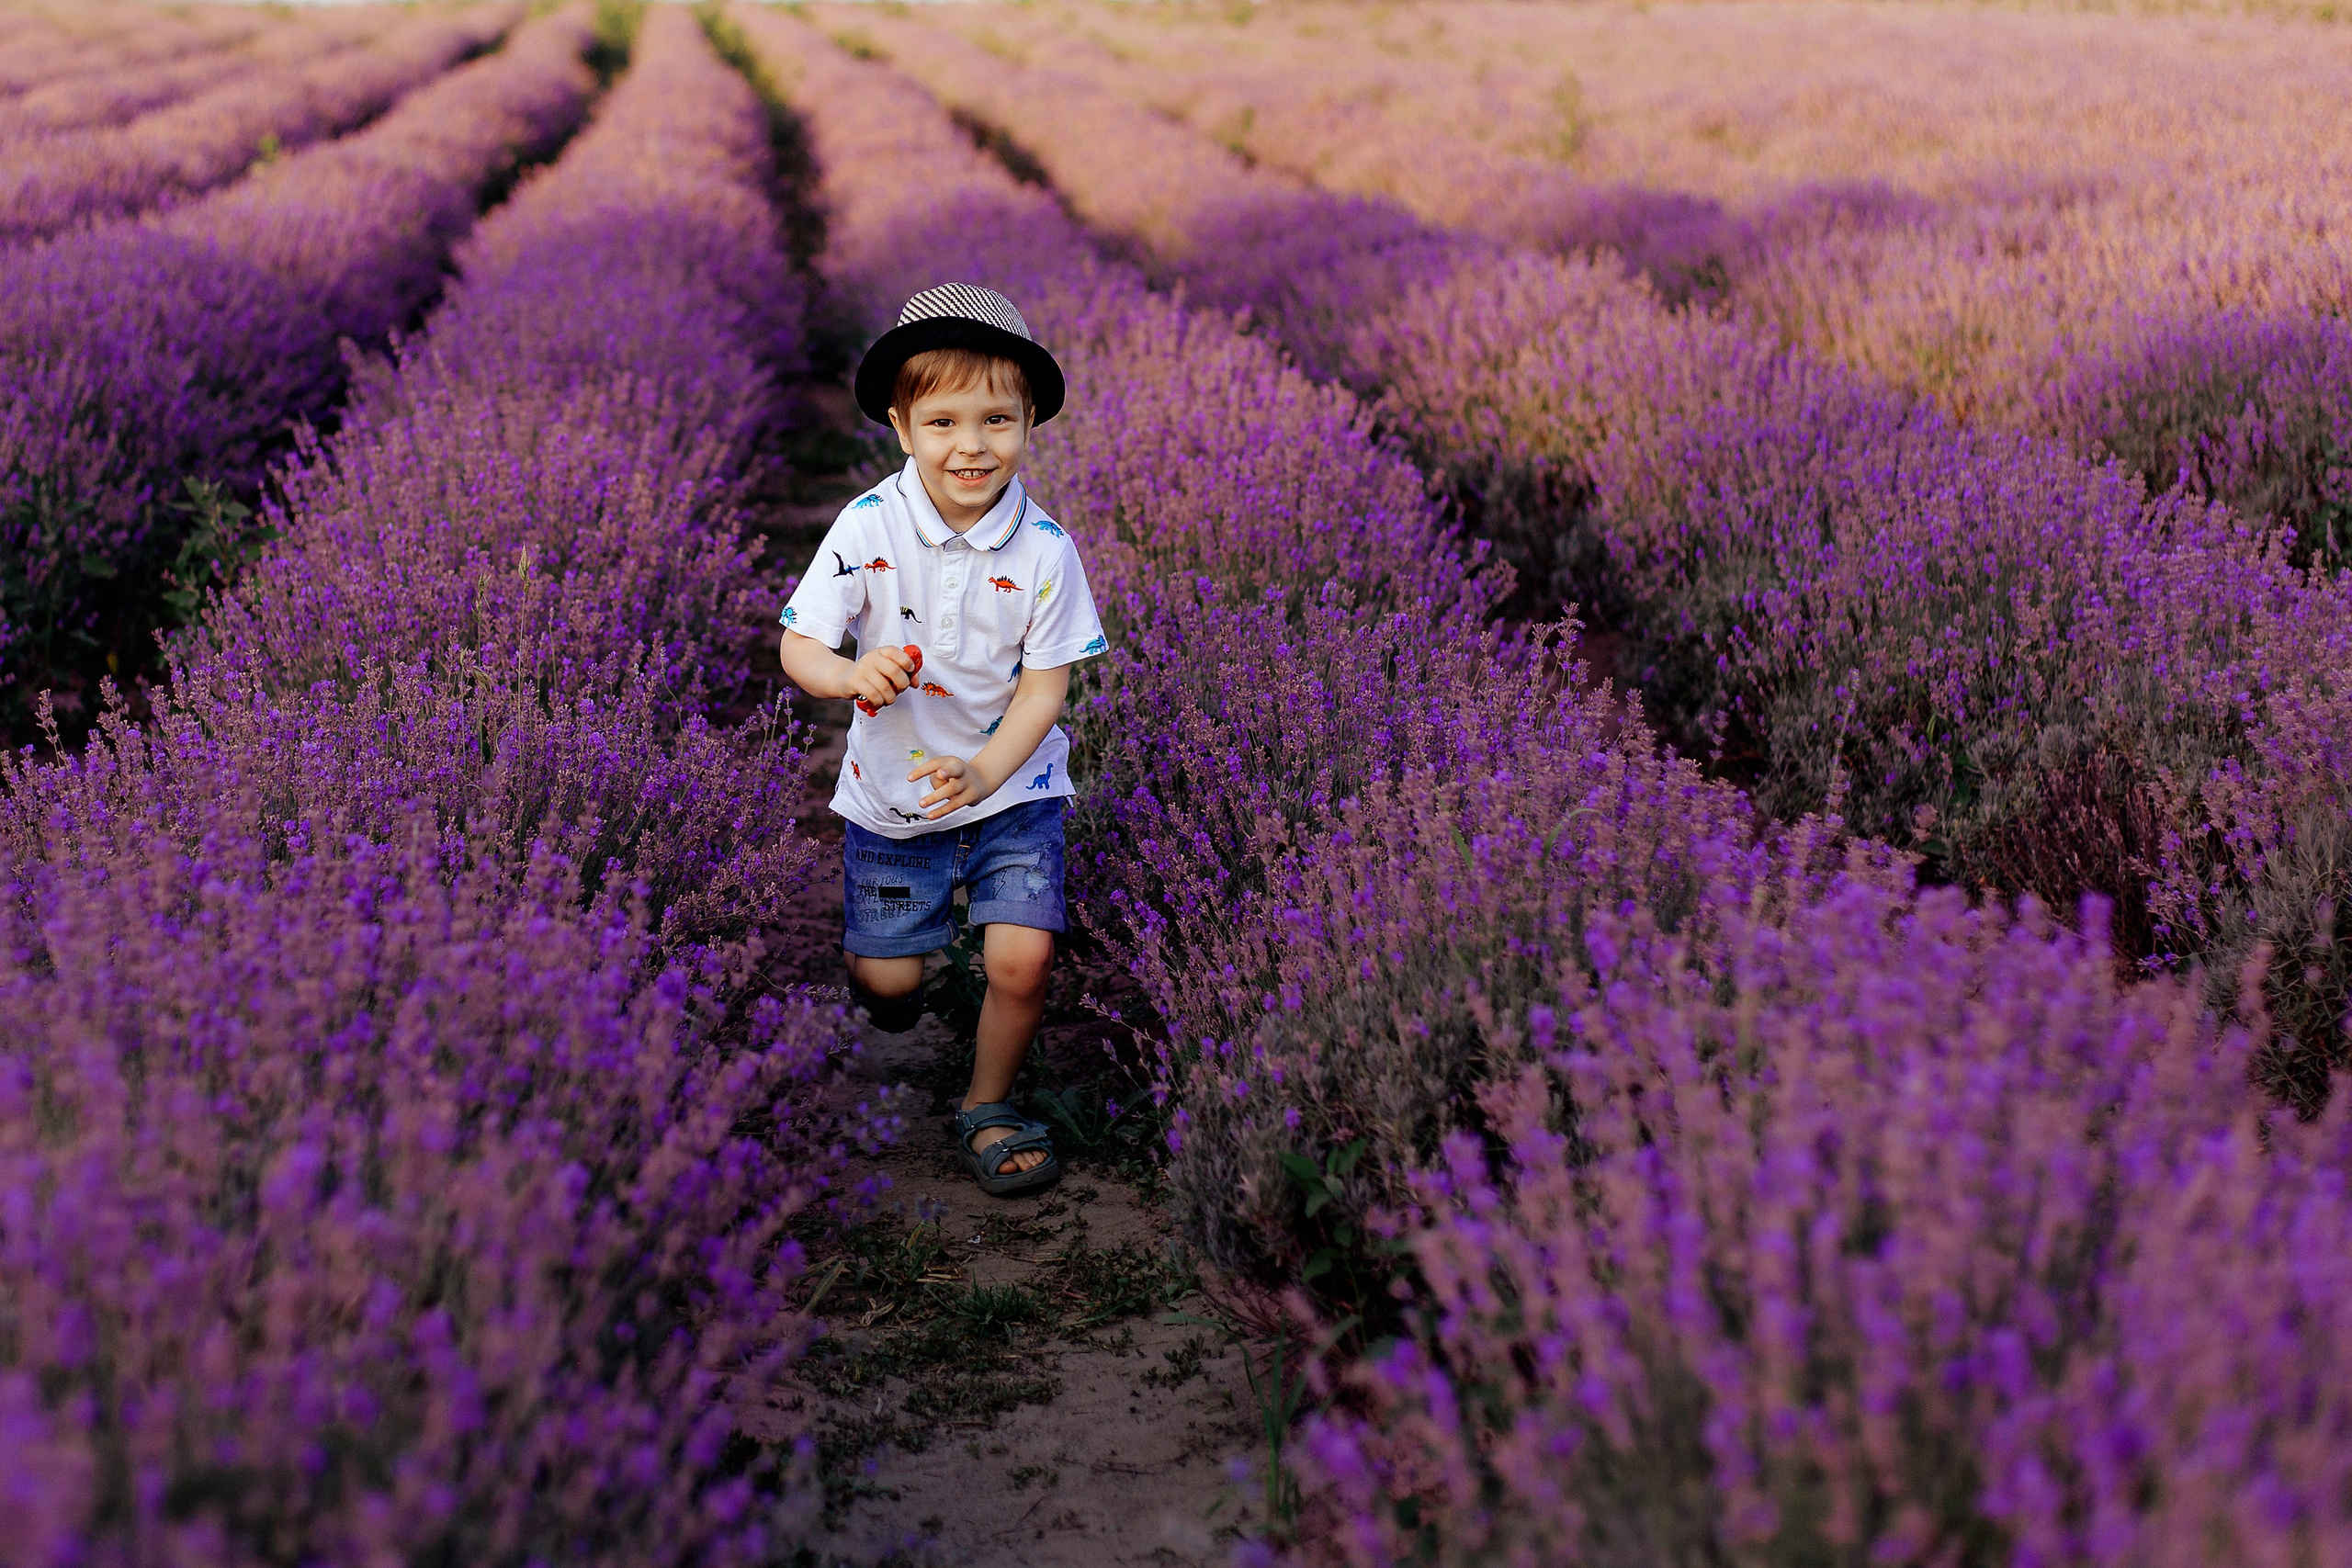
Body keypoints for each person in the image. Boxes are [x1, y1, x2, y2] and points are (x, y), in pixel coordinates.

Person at [778, 284, 1109, 1197]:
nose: (973, 444)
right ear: (900, 425)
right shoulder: (866, 527)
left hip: (1014, 788)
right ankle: (903, 987)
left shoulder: (1045, 548)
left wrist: (988, 770)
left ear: (1030, 421)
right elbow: (798, 642)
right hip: (893, 796)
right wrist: (845, 676)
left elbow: (1047, 685)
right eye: (944, 420)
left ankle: (988, 1104)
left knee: (1022, 958)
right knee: (887, 980)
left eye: (998, 418)